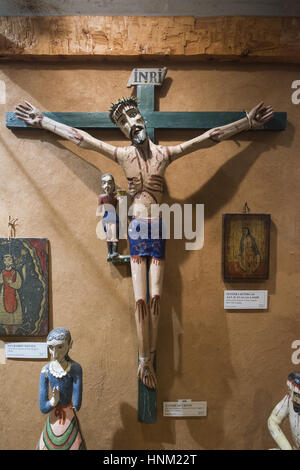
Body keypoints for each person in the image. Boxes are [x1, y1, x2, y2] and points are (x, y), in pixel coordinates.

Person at [15, 98, 274, 389]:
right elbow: (82, 139)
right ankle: (144, 360)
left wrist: (247, 123)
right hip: (137, 228)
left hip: (159, 227)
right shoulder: (123, 156)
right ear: (123, 130)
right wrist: (43, 122)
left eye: (132, 115)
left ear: (142, 116)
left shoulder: (164, 154)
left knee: (156, 299)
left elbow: (206, 139)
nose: (130, 123)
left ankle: (150, 355)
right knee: (139, 300)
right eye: (123, 121)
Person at [37, 327, 85, 450]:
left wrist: (73, 405)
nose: (55, 353)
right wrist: (53, 401)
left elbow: (77, 402)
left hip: (68, 416)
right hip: (54, 418)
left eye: (60, 347)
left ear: (70, 345)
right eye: (51, 348)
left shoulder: (75, 368)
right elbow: (43, 407)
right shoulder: (46, 370)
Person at [268, 371, 300, 450]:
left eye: (296, 394)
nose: (292, 398)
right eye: (289, 390)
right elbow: (272, 421)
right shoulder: (289, 400)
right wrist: (286, 447)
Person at [96, 173, 119, 260]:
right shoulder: (102, 197)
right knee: (109, 235)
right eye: (104, 183)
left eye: (110, 183)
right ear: (102, 185)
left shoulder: (116, 197)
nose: (107, 186)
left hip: (112, 218)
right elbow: (99, 210)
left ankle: (114, 252)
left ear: (113, 184)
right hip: (107, 218)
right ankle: (110, 252)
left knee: (113, 235)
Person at [0, 253, 22, 327]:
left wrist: (11, 283)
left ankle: (15, 323)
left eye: (9, 260)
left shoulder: (15, 273)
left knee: (14, 307)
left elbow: (19, 284)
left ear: (12, 262)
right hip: (4, 293)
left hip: (13, 294)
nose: (7, 262)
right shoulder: (2, 272)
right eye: (5, 261)